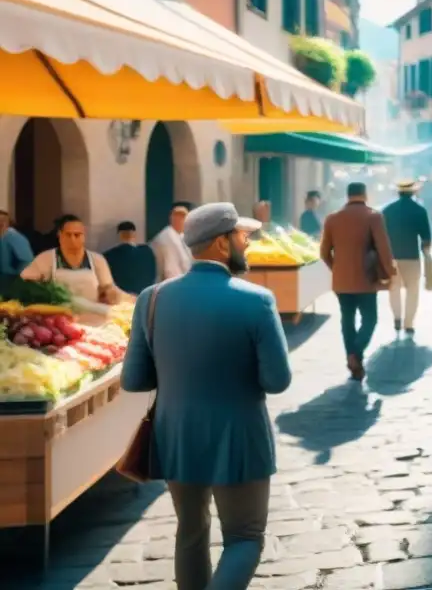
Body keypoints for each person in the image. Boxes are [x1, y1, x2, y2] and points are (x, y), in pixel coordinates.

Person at [121, 202, 290, 590]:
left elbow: (134, 380)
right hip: (238, 435)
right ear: (219, 243)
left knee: (191, 530)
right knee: (245, 537)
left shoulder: (152, 298)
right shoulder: (256, 299)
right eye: (241, 236)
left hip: (176, 434)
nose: (246, 244)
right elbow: (277, 380)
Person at [320, 182, 396, 380]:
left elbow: (324, 252)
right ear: (365, 195)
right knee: (370, 319)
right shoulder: (374, 216)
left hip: (341, 281)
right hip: (366, 280)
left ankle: (353, 362)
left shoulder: (332, 218)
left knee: (347, 319)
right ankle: (356, 354)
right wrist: (389, 273)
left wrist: (336, 268)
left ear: (348, 195)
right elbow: (384, 248)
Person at [21, 214, 122, 304]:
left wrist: (110, 295)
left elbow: (108, 287)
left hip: (93, 318)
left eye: (77, 235)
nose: (72, 239)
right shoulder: (45, 259)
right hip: (57, 318)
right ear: (59, 235)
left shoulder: (97, 260)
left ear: (84, 236)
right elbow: (26, 284)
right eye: (68, 235)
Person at [382, 180, 432, 335]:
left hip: (392, 257)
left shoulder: (387, 210)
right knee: (412, 291)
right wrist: (427, 253)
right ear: (413, 192)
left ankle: (397, 317)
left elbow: (381, 235)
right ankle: (408, 323)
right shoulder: (419, 210)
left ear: (398, 192)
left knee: (394, 289)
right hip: (412, 256)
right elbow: (426, 238)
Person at [103, 221, 157, 297]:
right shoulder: (147, 251)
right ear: (134, 234)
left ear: (119, 235)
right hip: (144, 296)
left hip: (121, 298)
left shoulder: (109, 255)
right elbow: (152, 274)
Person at [152, 202, 193, 281]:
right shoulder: (166, 238)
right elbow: (170, 271)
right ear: (173, 218)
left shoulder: (183, 235)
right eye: (182, 217)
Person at [0, 209, 33, 288]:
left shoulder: (14, 237)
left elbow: (26, 261)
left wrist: (17, 281)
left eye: (3, 220)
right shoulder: (3, 237)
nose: (1, 223)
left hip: (11, 282)